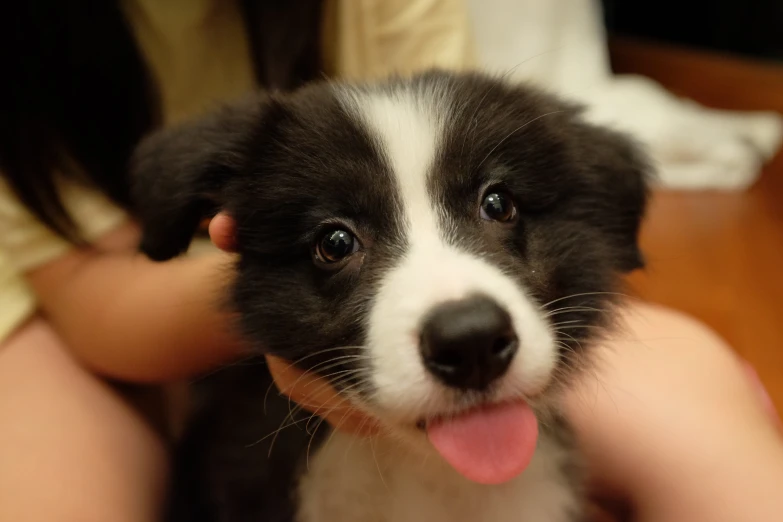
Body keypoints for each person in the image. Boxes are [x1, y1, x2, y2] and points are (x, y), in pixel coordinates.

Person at [0, 2, 780, 521]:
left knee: (713, 441)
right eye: (340, 243)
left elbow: (462, 119)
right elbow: (95, 297)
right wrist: (267, 278)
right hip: (71, 304)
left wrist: (325, 257)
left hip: (262, 264)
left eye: (496, 208)